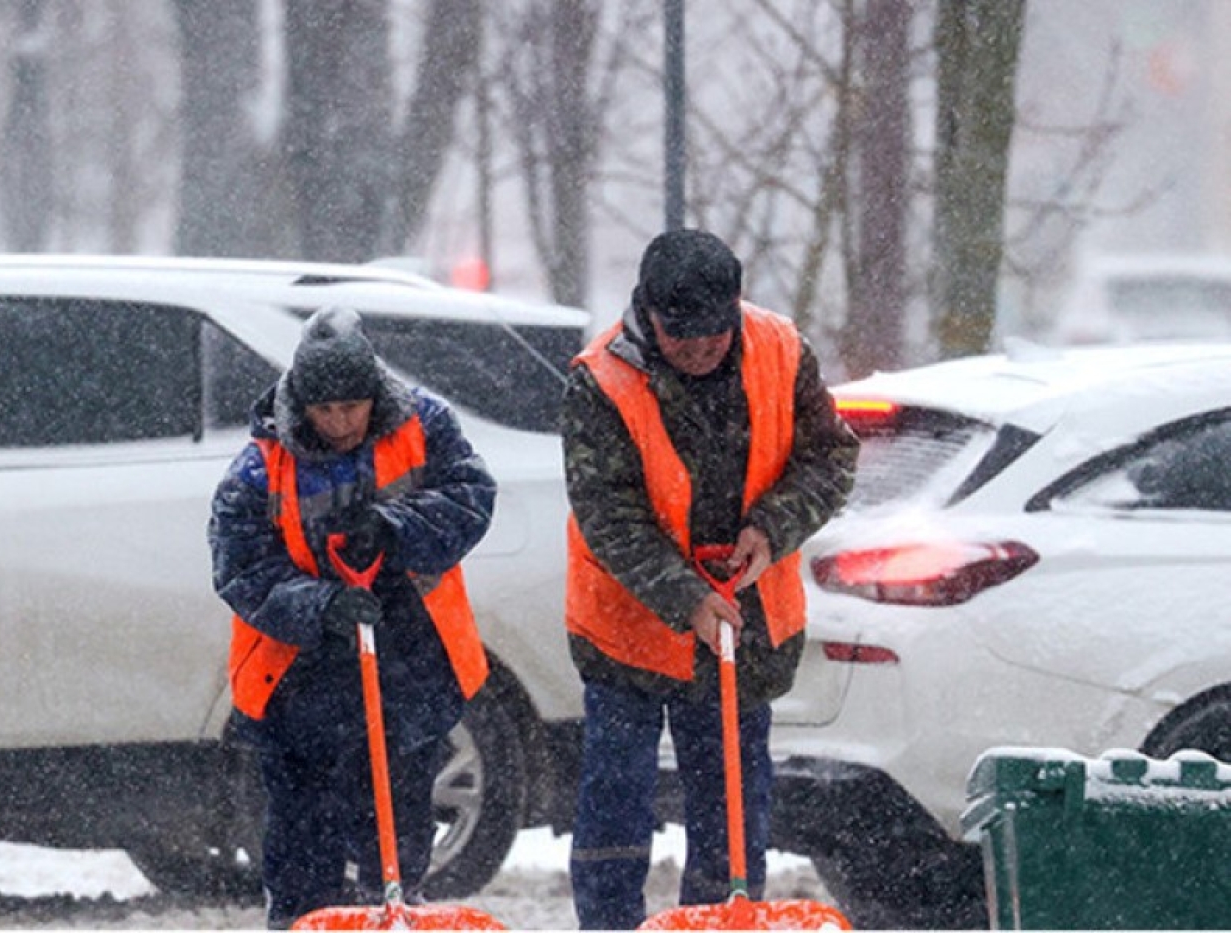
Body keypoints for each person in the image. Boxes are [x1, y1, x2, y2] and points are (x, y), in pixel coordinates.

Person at [561, 229, 859, 929]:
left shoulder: (781, 350)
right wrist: (684, 595)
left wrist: (770, 529)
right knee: (616, 806)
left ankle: (721, 919)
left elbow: (830, 458)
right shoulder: (599, 379)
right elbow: (609, 515)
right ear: (650, 314)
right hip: (627, 627)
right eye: (681, 336)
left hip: (742, 623)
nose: (699, 350)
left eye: (713, 334)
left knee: (731, 808)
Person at [208, 306, 496, 929]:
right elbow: (239, 569)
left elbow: (472, 497)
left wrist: (394, 527)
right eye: (325, 409)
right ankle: (301, 918)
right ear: (300, 402)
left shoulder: (425, 425)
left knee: (395, 836)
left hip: (408, 663)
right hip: (301, 680)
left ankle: (392, 905)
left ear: (374, 395)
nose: (339, 422)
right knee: (302, 848)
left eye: (352, 406)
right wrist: (322, 604)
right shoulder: (260, 468)